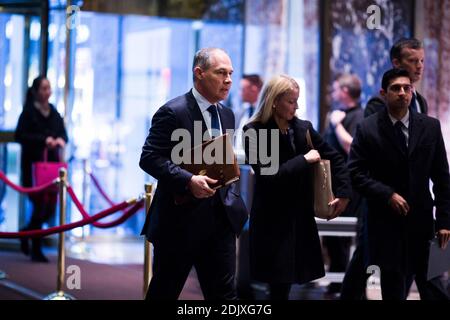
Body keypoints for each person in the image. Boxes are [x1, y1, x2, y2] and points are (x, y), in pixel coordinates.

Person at [139, 48, 248, 300]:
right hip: (179, 222)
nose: (228, 80)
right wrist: (188, 180)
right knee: (164, 292)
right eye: (221, 73)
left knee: (224, 297)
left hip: (220, 221)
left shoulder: (227, 114)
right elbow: (149, 158)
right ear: (199, 73)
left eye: (230, 73)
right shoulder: (172, 111)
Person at [243, 74, 351, 300]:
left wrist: (342, 193)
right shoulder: (256, 131)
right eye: (291, 101)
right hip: (272, 221)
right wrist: (305, 159)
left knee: (291, 283)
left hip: (300, 218)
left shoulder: (302, 128)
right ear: (274, 101)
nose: (296, 106)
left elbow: (336, 158)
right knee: (277, 287)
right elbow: (270, 176)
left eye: (297, 100)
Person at [348, 68, 450, 300]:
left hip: (425, 224)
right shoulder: (368, 128)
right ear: (384, 93)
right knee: (393, 290)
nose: (403, 93)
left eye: (407, 88)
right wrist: (387, 194)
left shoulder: (430, 127)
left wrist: (445, 220)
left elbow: (442, 178)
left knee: (436, 290)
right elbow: (355, 173)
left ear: (412, 92)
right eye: (396, 88)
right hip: (386, 225)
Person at [15, 75, 68, 262]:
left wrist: (59, 140)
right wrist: (43, 140)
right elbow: (20, 135)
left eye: (49, 88)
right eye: (44, 88)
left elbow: (63, 133)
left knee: (49, 209)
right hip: (34, 168)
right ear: (36, 92)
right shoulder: (28, 112)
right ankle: (36, 248)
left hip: (52, 169)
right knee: (39, 207)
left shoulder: (53, 112)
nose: (47, 92)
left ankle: (25, 232)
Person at [322, 73, 365, 297]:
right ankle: (337, 280)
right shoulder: (338, 113)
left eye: (336, 88)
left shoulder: (358, 116)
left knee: (342, 237)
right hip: (331, 183)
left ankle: (343, 282)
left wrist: (337, 125)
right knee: (331, 237)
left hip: (347, 186)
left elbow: (351, 146)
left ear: (345, 91)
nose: (333, 93)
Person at [234, 74, 263, 300]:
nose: (240, 92)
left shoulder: (264, 116)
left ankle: (249, 279)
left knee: (251, 230)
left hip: (254, 179)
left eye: (244, 88)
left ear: (256, 88)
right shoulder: (242, 112)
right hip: (239, 176)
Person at [365, 38, 427, 117]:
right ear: (396, 63)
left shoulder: (421, 101)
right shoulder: (379, 102)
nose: (420, 66)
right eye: (412, 60)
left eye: (422, 61)